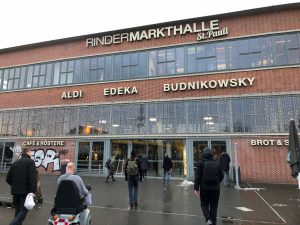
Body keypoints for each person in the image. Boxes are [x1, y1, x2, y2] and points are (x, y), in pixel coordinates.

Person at [6, 148, 37, 225]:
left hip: (15, 191)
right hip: (25, 192)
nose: (31, 154)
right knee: (23, 211)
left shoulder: (15, 163)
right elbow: (32, 177)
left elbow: (7, 178)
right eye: (31, 152)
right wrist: (32, 191)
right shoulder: (30, 162)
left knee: (18, 211)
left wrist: (14, 185)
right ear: (27, 153)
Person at [194, 147, 224, 225]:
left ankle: (208, 218)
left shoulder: (200, 163)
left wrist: (196, 188)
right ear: (211, 154)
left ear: (203, 154)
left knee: (204, 204)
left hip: (204, 188)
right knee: (214, 206)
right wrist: (217, 182)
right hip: (216, 188)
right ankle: (213, 223)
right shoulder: (217, 162)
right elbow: (222, 175)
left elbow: (197, 176)